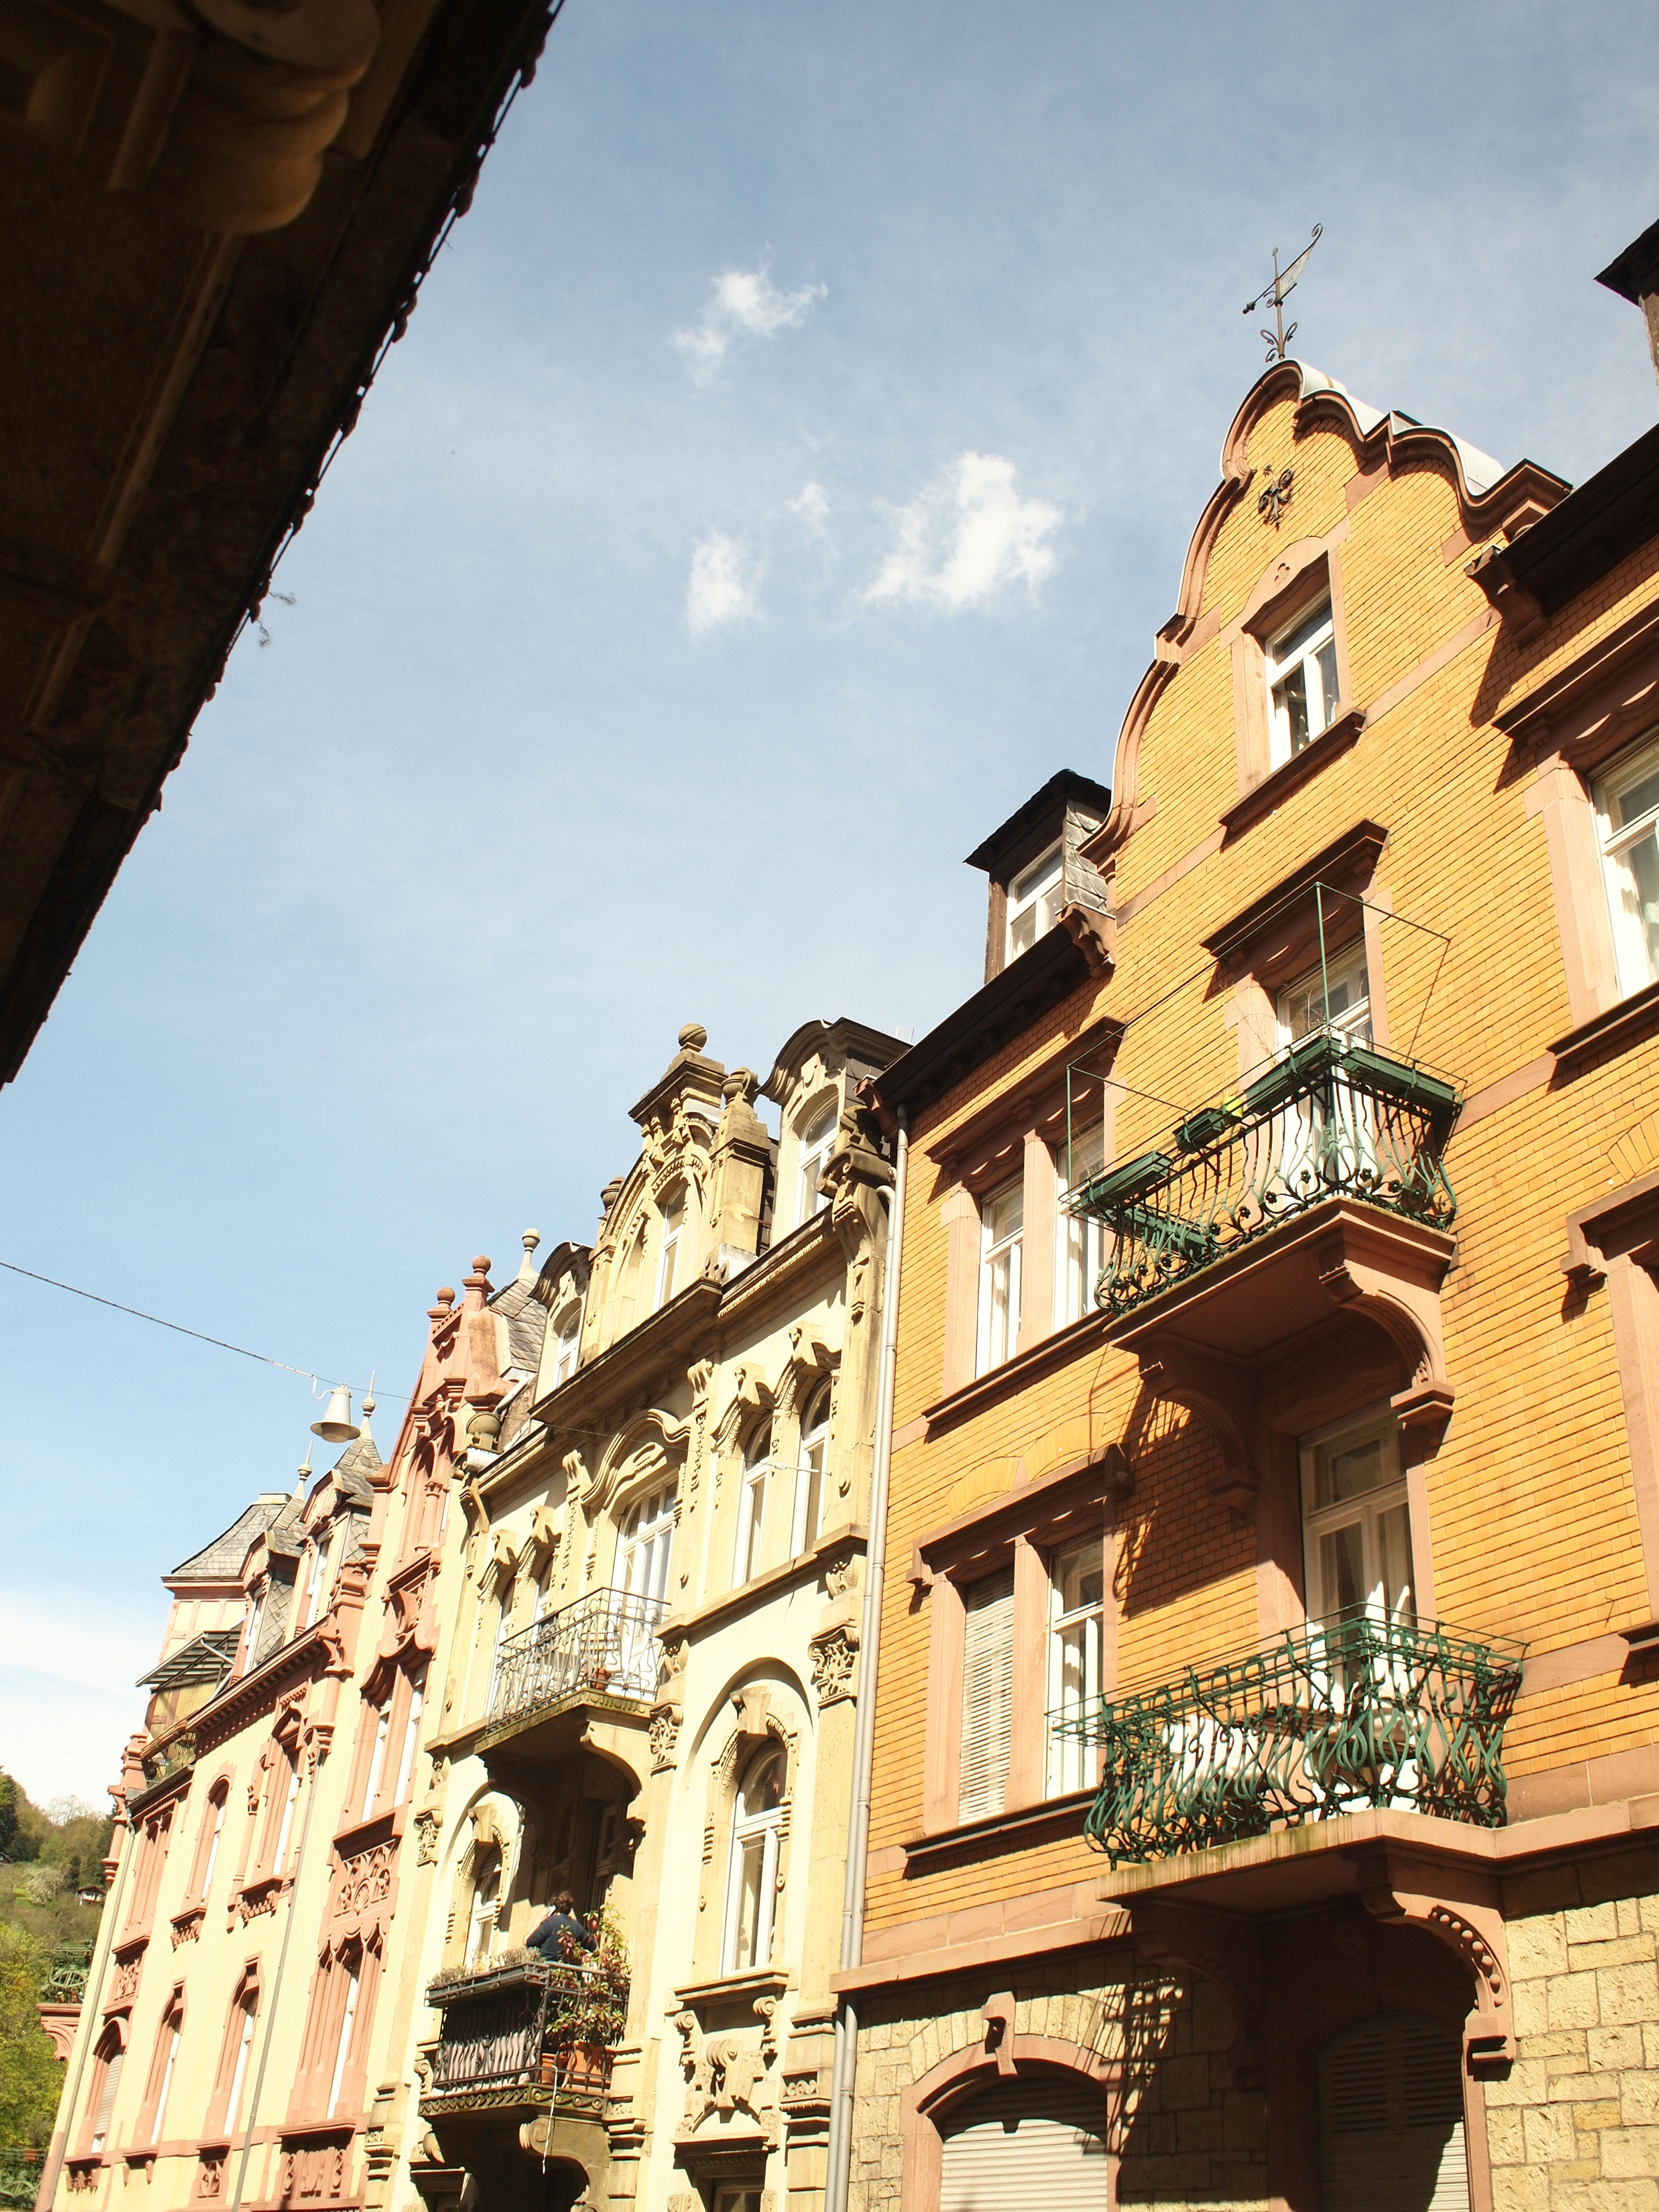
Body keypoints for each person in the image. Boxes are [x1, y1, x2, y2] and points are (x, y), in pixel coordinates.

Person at [527, 1890, 596, 1963]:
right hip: (567, 1972)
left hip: (545, 1971)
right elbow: (594, 1946)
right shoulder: (577, 1927)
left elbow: (528, 1942)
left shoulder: (550, 1922)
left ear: (554, 1908)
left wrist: (539, 1921)